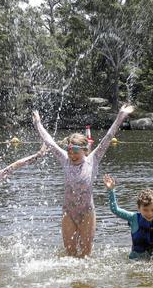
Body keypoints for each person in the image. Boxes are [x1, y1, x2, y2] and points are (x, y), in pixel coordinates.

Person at [32, 105, 134, 257]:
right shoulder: (64, 159)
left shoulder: (92, 159)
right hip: (68, 212)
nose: (72, 155)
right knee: (70, 256)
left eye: (76, 153)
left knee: (86, 256)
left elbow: (108, 137)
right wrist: (38, 124)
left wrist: (120, 116)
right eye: (69, 152)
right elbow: (49, 142)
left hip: (87, 212)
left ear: (85, 150)